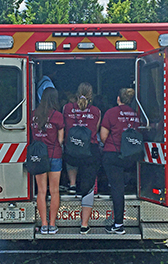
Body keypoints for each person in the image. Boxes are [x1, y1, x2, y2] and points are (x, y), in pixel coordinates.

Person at [100, 88, 140, 235]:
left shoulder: (111, 113)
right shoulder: (136, 115)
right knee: (122, 183)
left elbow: (103, 136)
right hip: (130, 156)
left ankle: (118, 224)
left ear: (118, 99)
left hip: (113, 155)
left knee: (117, 189)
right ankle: (126, 180)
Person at [63, 82, 101, 234]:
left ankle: (72, 185)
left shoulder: (67, 108)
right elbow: (95, 130)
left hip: (71, 147)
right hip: (90, 150)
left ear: (77, 94)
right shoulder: (96, 111)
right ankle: (84, 225)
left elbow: (65, 126)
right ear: (91, 96)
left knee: (71, 159)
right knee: (88, 188)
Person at [31, 87, 64, 235]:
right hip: (54, 155)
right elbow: (61, 140)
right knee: (54, 191)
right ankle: (52, 224)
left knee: (41, 191)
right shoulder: (57, 116)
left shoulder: (33, 115)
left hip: (39, 157)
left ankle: (43, 224)